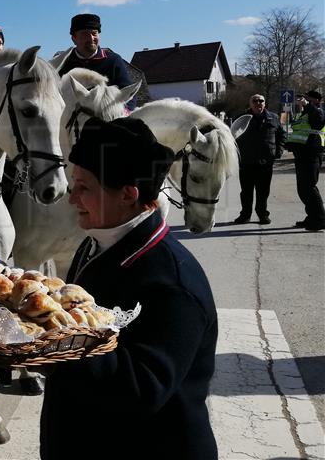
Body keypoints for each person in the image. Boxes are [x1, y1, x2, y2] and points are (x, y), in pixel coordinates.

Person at [39, 116, 218, 459]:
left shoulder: (172, 284)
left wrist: (49, 346)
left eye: (84, 188)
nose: (71, 198)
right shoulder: (99, 240)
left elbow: (139, 390)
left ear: (128, 195)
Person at [54, 13, 137, 110]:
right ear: (74, 38)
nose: (91, 38)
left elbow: (129, 93)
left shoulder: (113, 61)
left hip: (105, 121)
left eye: (94, 33)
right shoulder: (62, 64)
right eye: (85, 34)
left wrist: (123, 113)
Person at [234, 93, 285, 225]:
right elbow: (232, 136)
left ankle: (263, 214)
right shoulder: (241, 118)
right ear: (250, 104)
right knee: (246, 192)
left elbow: (281, 135)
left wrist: (278, 151)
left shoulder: (273, 117)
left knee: (263, 192)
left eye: (261, 101)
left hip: (265, 162)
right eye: (255, 101)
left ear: (264, 103)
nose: (258, 103)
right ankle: (245, 215)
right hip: (246, 162)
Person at [286, 90, 325, 231]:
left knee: (309, 187)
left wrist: (308, 105)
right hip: (302, 155)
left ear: (315, 100)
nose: (304, 101)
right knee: (302, 189)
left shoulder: (319, 111)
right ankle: (312, 216)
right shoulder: (305, 113)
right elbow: (300, 131)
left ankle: (320, 219)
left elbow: (317, 124)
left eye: (307, 98)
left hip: (312, 154)